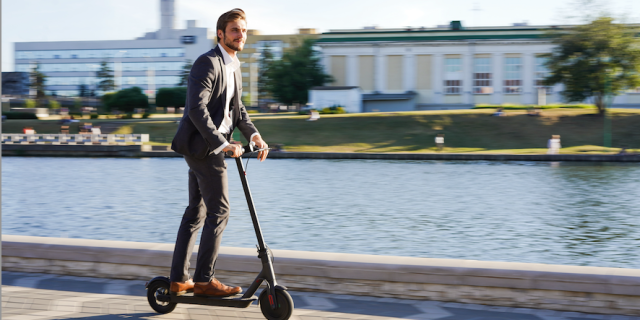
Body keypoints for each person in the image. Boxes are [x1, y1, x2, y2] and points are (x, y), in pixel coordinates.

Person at [169, 8, 269, 298]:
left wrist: (254, 135)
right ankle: (204, 280)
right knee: (220, 210)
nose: (241, 35)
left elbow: (238, 111)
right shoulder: (207, 63)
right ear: (221, 34)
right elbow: (196, 110)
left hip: (211, 147)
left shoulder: (234, 66)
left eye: (244, 30)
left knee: (196, 212)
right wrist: (222, 143)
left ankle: (179, 280)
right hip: (203, 146)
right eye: (235, 30)